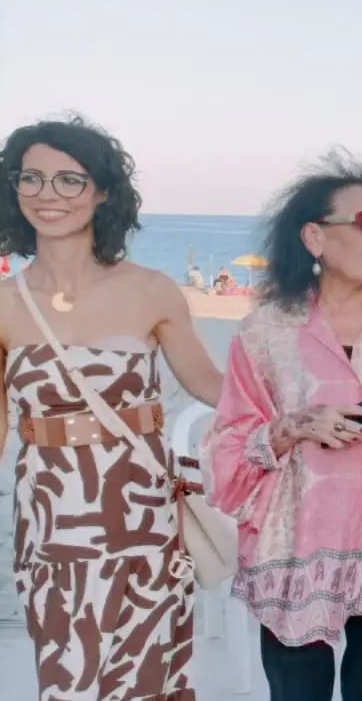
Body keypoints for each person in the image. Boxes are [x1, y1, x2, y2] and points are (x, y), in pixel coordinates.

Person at [203, 150, 362, 701]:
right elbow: (227, 453)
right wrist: (296, 425)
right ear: (314, 236)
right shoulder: (264, 331)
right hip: (293, 549)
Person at [0, 116, 222, 699]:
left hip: (143, 511)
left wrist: (294, 408)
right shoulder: (5, 302)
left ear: (102, 192)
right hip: (52, 520)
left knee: (147, 674)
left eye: (69, 179)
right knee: (70, 675)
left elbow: (209, 383)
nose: (47, 193)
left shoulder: (151, 289)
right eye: (31, 178)